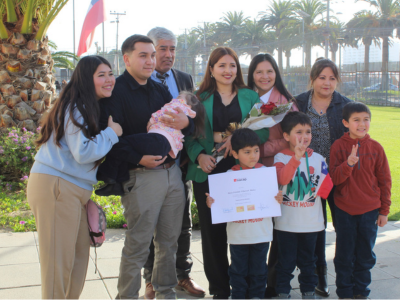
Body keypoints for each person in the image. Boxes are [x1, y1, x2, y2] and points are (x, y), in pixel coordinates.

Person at [98, 34, 194, 299]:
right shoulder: (114, 92)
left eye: (153, 55)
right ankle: (127, 296)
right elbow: (107, 140)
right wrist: (137, 158)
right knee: (138, 245)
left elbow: (182, 125)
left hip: (172, 174)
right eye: (144, 55)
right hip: (140, 177)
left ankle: (165, 293)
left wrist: (186, 123)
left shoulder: (159, 89)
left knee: (168, 243)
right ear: (126, 58)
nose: (151, 60)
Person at [26, 56, 122, 299]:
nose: (109, 79)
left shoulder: (86, 107)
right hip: (56, 186)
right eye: (101, 75)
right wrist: (112, 133)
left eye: (110, 73)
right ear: (86, 79)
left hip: (72, 189)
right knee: (58, 263)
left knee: (78, 257)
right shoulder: (75, 107)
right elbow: (83, 152)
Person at [184, 46, 269, 299]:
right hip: (209, 170)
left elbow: (263, 130)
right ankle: (220, 289)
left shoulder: (250, 97)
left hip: (242, 170)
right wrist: (200, 155)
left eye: (232, 65)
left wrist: (238, 138)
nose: (227, 70)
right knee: (213, 234)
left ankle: (247, 288)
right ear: (211, 69)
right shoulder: (198, 98)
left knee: (244, 228)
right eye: (221, 65)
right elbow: (188, 134)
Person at [145, 26, 206, 298]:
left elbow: (194, 119)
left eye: (172, 49)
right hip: (149, 166)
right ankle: (150, 280)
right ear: (150, 50)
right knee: (150, 225)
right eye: (163, 49)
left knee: (182, 225)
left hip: (179, 167)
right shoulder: (139, 78)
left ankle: (183, 275)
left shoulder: (184, 78)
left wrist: (188, 123)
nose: (168, 55)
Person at [295, 58, 352, 297]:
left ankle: (347, 279)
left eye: (332, 78)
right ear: (313, 78)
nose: (327, 83)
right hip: (308, 179)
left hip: (338, 177)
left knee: (344, 228)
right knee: (315, 230)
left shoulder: (346, 105)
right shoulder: (298, 103)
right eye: (322, 77)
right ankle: (319, 276)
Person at [205, 128, 283, 299]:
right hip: (238, 236)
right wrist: (212, 202)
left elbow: (274, 199)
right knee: (237, 271)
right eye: (247, 152)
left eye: (256, 150)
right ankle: (238, 295)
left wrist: (278, 198)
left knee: (259, 270)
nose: (253, 156)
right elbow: (220, 203)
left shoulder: (266, 174)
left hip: (261, 235)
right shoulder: (228, 176)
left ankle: (257, 296)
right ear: (235, 153)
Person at [248, 53, 298, 297]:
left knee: (278, 231)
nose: (264, 76)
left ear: (276, 73)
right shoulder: (246, 98)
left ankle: (274, 282)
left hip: (276, 171)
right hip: (250, 172)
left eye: (269, 71)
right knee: (254, 228)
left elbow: (294, 138)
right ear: (252, 75)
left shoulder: (286, 102)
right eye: (259, 72)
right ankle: (253, 280)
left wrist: (259, 150)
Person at [329, 102, 391, 299]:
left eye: (366, 119)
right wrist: (348, 164)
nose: (362, 124)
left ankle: (361, 292)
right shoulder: (338, 146)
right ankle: (345, 292)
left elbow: (385, 180)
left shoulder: (376, 148)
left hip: (369, 210)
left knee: (365, 255)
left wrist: (384, 211)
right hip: (345, 210)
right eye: (356, 120)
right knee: (344, 256)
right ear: (345, 123)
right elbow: (334, 179)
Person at [96, 91, 205, 197]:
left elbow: (159, 115)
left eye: (180, 96)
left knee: (120, 142)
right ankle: (114, 182)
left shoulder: (174, 104)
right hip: (166, 147)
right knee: (121, 146)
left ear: (185, 102)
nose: (175, 98)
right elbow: (191, 122)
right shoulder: (188, 113)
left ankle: (106, 173)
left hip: (157, 140)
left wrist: (151, 122)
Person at [273, 111, 329, 298]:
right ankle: (282, 292)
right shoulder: (280, 157)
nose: (304, 137)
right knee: (285, 262)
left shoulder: (319, 159)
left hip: (311, 224)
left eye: (308, 132)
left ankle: (308, 291)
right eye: (299, 132)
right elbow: (282, 178)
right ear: (287, 136)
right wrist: (296, 159)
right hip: (286, 224)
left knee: (308, 262)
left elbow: (326, 189)